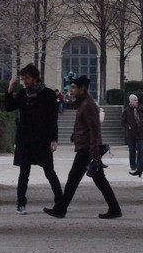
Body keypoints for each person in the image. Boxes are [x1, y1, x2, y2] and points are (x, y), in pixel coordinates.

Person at [44, 76, 122, 219]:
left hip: (87, 150)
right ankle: (114, 208)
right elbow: (88, 128)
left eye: (73, 87)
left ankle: (60, 209)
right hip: (87, 148)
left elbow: (94, 129)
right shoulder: (84, 103)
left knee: (74, 179)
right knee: (97, 181)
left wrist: (94, 153)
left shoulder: (87, 105)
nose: (70, 90)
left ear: (82, 89)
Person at [5, 63, 63, 215]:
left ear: (35, 78)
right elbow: (9, 106)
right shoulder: (23, 94)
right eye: (23, 79)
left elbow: (52, 119)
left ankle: (60, 202)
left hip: (42, 139)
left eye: (27, 78)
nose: (25, 81)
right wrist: (10, 88)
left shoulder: (49, 94)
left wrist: (53, 139)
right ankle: (20, 203)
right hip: (25, 138)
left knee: (49, 172)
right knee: (24, 173)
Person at [121, 94, 143, 176]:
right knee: (132, 150)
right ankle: (133, 165)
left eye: (137, 100)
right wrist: (127, 126)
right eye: (135, 100)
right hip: (131, 134)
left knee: (140, 149)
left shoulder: (141, 109)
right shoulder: (126, 110)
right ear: (131, 101)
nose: (137, 101)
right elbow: (123, 121)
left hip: (141, 133)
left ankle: (139, 165)